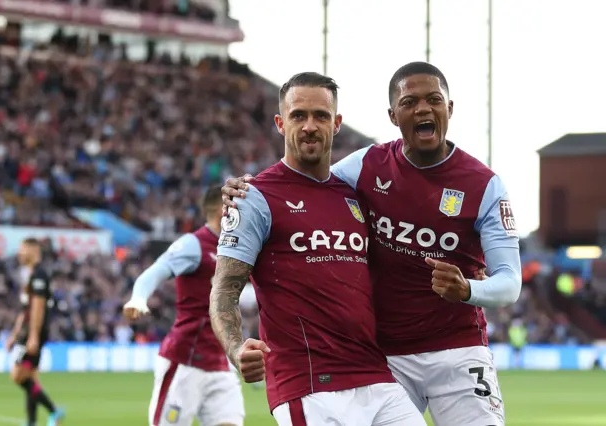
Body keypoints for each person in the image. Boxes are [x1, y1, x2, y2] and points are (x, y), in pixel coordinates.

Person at [221, 62, 521, 426]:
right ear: (394, 115)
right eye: (410, 102)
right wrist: (244, 190)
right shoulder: (366, 166)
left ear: (450, 108)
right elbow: (304, 179)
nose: (423, 109)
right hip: (386, 356)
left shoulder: (485, 185)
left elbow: (510, 281)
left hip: (456, 348)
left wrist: (467, 288)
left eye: (433, 100)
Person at [210, 72, 426, 425]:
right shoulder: (254, 198)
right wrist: (236, 348)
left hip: (375, 377)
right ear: (280, 123)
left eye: (321, 116)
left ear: (337, 123)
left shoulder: (354, 195)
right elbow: (224, 288)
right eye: (299, 115)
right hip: (308, 385)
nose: (310, 126)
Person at [123, 184, 245, 426]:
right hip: (186, 361)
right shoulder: (194, 244)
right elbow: (155, 272)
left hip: (221, 363)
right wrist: (138, 298)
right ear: (225, 212)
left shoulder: (239, 248)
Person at [6, 238, 65, 426]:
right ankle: (31, 421)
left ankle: (54, 411)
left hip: (34, 333)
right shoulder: (31, 275)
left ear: (33, 250)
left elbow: (37, 309)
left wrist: (32, 336)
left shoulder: (40, 274)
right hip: (27, 332)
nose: (19, 253)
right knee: (30, 376)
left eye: (23, 250)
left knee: (18, 376)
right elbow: (25, 309)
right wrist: (14, 334)